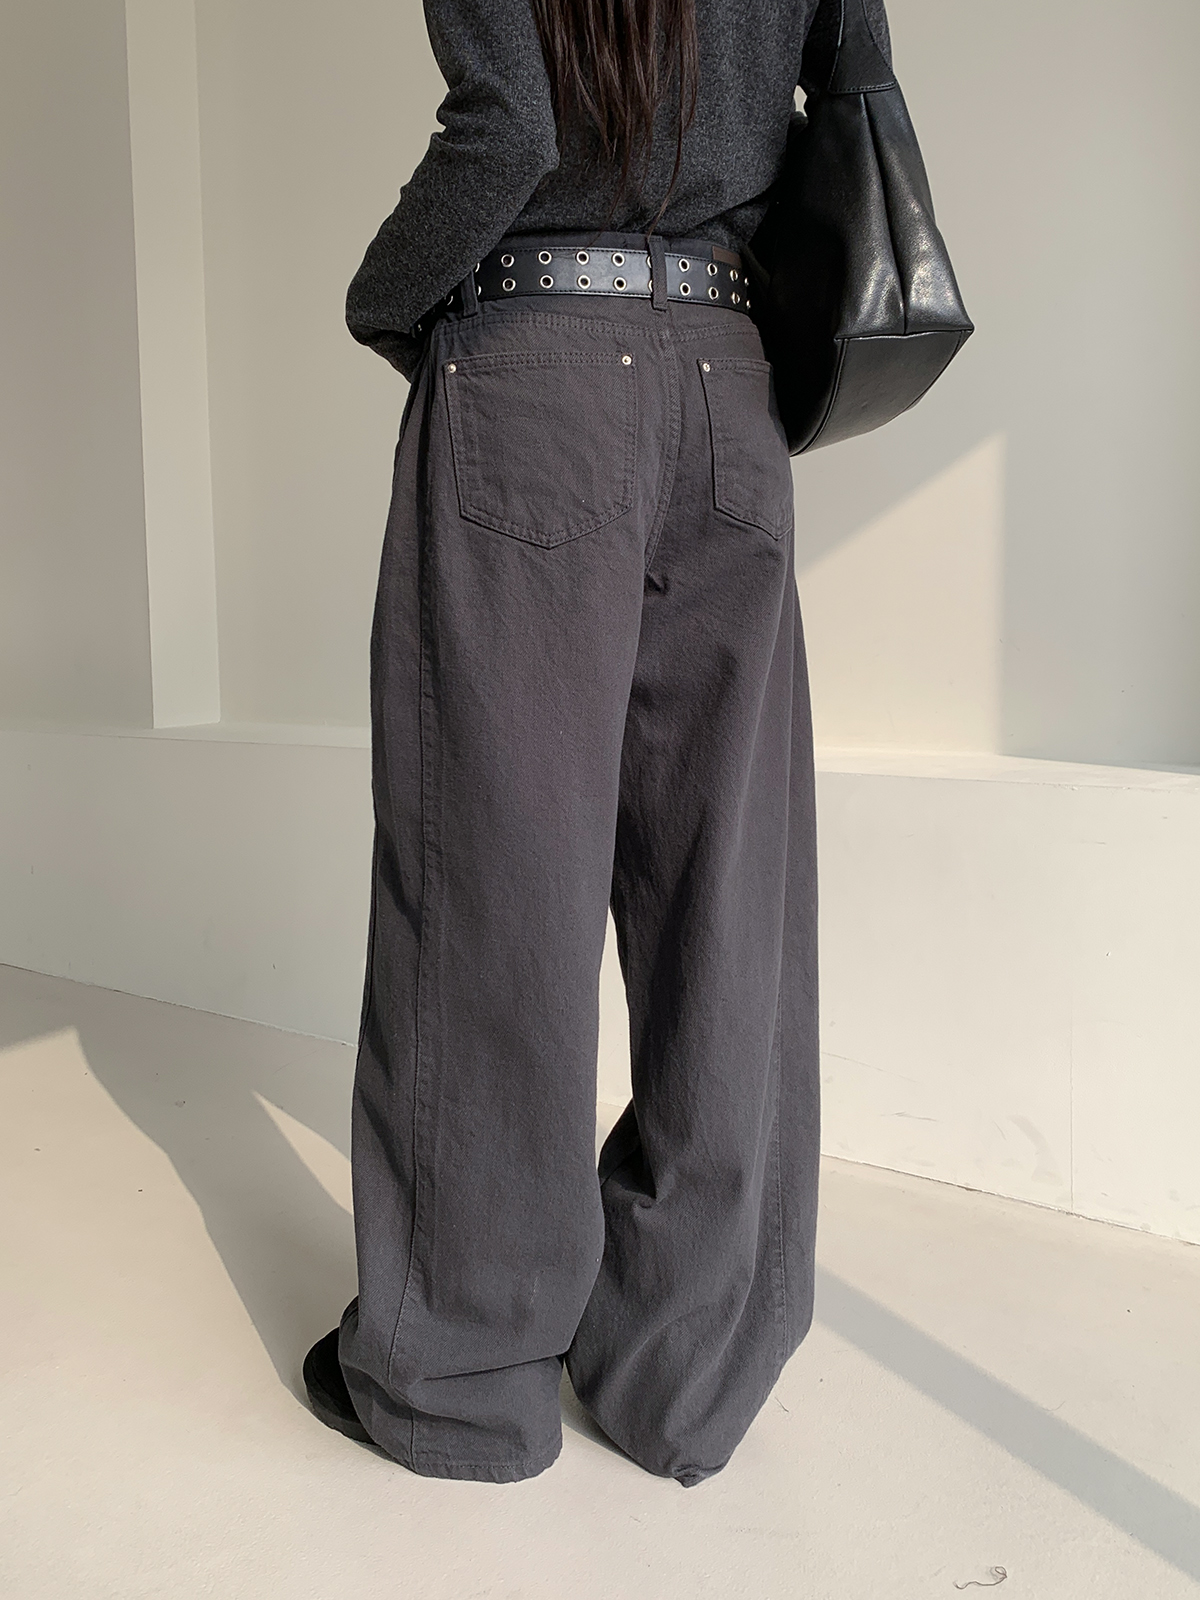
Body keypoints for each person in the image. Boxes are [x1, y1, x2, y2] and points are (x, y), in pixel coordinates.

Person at [304, 0, 890, 1488]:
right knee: (726, 891)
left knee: (492, 877)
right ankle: (685, 1371)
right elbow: (856, 92)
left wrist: (385, 298)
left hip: (535, 373)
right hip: (728, 387)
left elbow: (510, 124)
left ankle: (462, 1381)